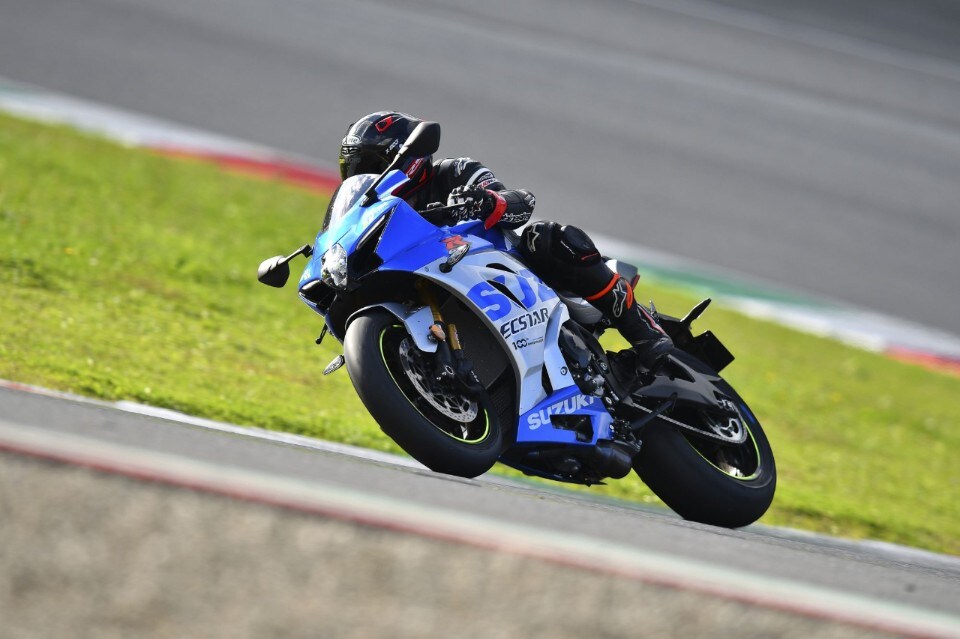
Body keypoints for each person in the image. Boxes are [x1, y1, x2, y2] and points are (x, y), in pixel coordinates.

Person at [337, 111, 673, 371]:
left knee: (545, 237)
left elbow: (520, 203)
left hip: (508, 272)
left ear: (401, 156)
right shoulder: (379, 219)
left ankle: (644, 331)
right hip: (441, 284)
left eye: (371, 166)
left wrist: (486, 201)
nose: (364, 178)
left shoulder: (453, 171)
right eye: (355, 171)